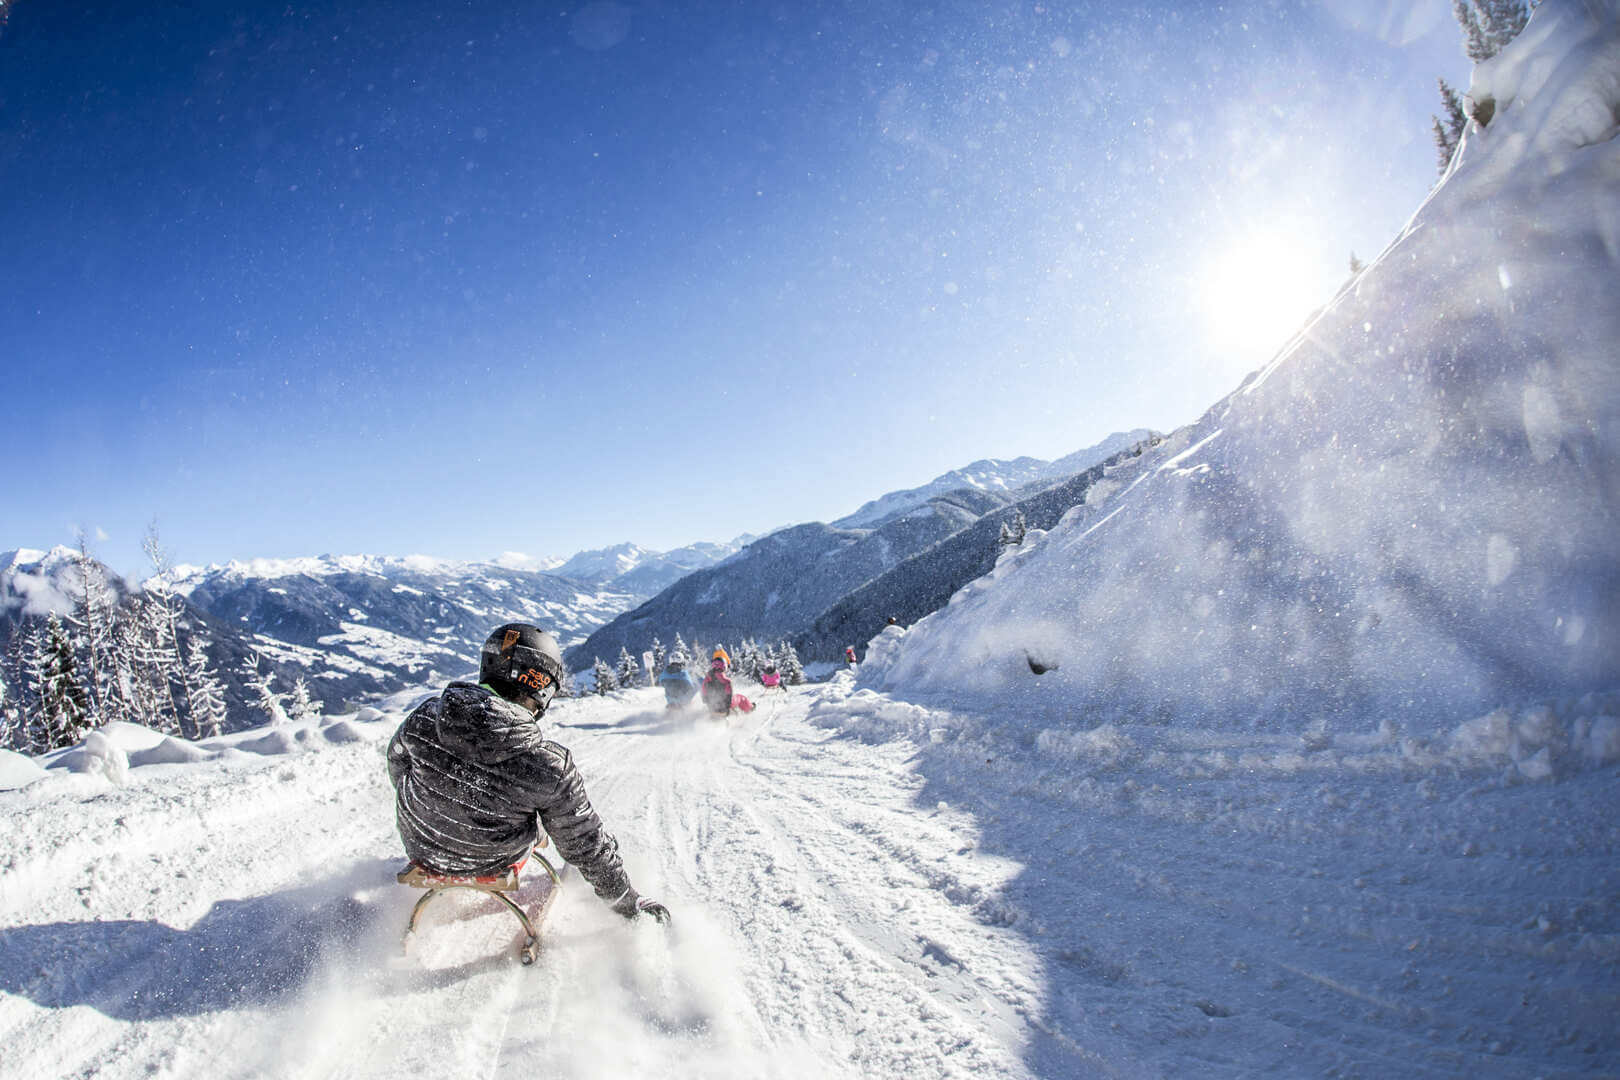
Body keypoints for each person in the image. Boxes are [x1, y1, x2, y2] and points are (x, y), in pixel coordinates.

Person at [387, 623, 670, 924]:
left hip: (423, 850)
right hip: (492, 862)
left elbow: (398, 767)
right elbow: (585, 843)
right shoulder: (548, 766)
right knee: (545, 822)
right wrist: (626, 899)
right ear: (541, 685)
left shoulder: (424, 718)